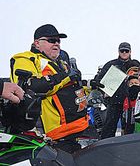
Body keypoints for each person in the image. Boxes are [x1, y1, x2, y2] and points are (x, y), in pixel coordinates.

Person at [10, 24, 89, 153]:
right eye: (51, 40)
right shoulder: (26, 58)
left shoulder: (61, 63)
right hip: (49, 136)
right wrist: (65, 76)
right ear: (37, 43)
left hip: (73, 129)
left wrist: (90, 86)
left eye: (58, 41)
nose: (57, 44)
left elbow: (72, 88)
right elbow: (32, 87)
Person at [94, 42, 140, 139]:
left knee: (129, 126)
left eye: (126, 51)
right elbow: (100, 79)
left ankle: (129, 146)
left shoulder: (135, 64)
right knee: (109, 125)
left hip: (130, 101)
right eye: (122, 50)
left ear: (130, 52)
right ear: (118, 51)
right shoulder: (111, 64)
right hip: (114, 100)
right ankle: (106, 145)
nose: (124, 52)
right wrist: (99, 85)